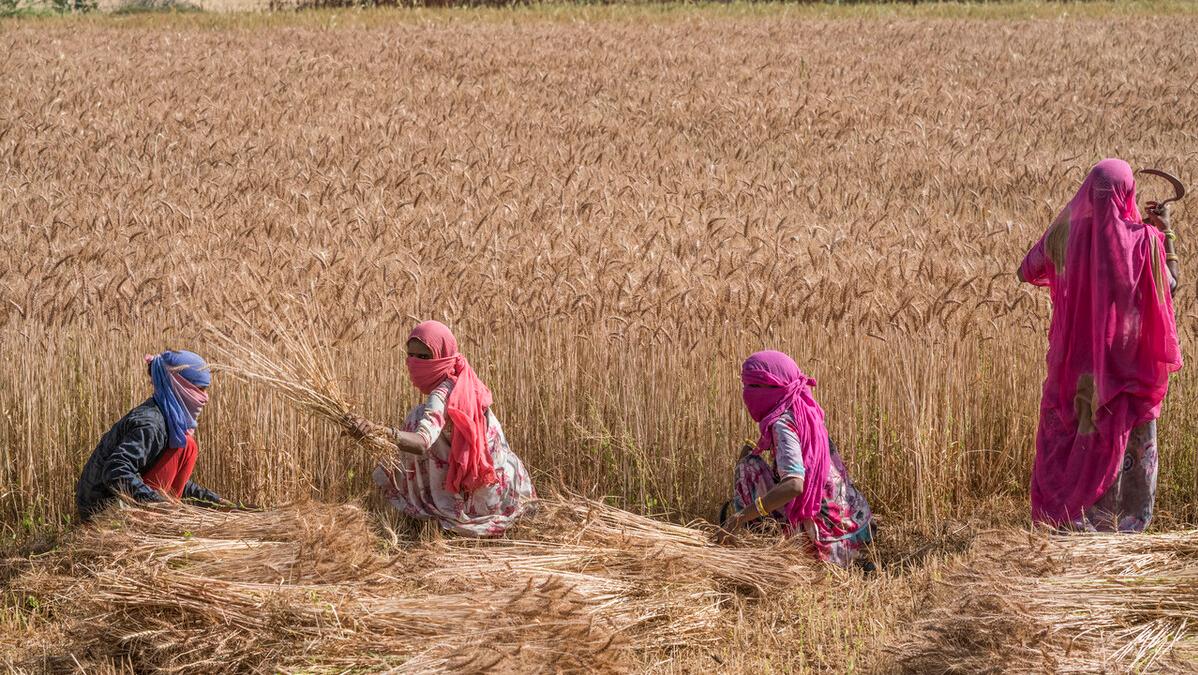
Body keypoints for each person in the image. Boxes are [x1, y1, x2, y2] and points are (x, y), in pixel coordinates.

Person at [1019, 158, 1182, 532]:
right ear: (1128, 194)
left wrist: (1065, 234)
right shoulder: (1143, 242)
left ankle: (1073, 523)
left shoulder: (1066, 236)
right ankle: (1123, 528)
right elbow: (1170, 286)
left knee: (1077, 445)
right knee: (1128, 446)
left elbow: (1026, 270)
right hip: (1127, 373)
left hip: (1077, 373)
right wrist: (1165, 233)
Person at [346, 321, 535, 537]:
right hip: (504, 488)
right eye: (411, 356)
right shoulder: (466, 381)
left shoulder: (441, 395)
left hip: (472, 500)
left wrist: (378, 431)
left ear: (442, 355)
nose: (415, 363)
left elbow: (421, 442)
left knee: (415, 419)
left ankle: (437, 506)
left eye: (424, 357)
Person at [718, 351, 875, 569]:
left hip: (829, 544)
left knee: (748, 468)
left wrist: (740, 517)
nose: (746, 394)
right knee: (753, 461)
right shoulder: (805, 409)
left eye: (752, 387)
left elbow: (794, 484)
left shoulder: (783, 424)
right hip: (857, 528)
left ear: (771, 389)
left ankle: (767, 542)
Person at [76, 350, 233, 521]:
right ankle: (152, 523)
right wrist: (158, 505)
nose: (205, 398)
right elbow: (116, 471)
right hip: (102, 510)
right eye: (200, 389)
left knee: (187, 446)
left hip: (118, 503)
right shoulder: (151, 424)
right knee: (188, 446)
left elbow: (167, 479)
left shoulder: (167, 420)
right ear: (180, 385)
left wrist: (216, 502)